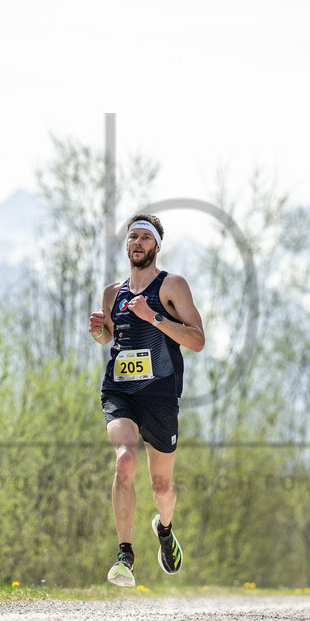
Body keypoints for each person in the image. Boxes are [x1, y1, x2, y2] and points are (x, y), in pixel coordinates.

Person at [89, 214, 205, 587]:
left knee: (161, 488)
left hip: (160, 395)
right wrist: (99, 332)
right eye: (131, 237)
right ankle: (125, 555)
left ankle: (165, 530)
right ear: (126, 246)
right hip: (120, 390)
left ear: (156, 246)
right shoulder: (112, 293)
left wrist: (152, 315)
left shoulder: (171, 285)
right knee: (124, 461)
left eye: (144, 237)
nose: (136, 243)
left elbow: (197, 340)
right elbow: (111, 337)